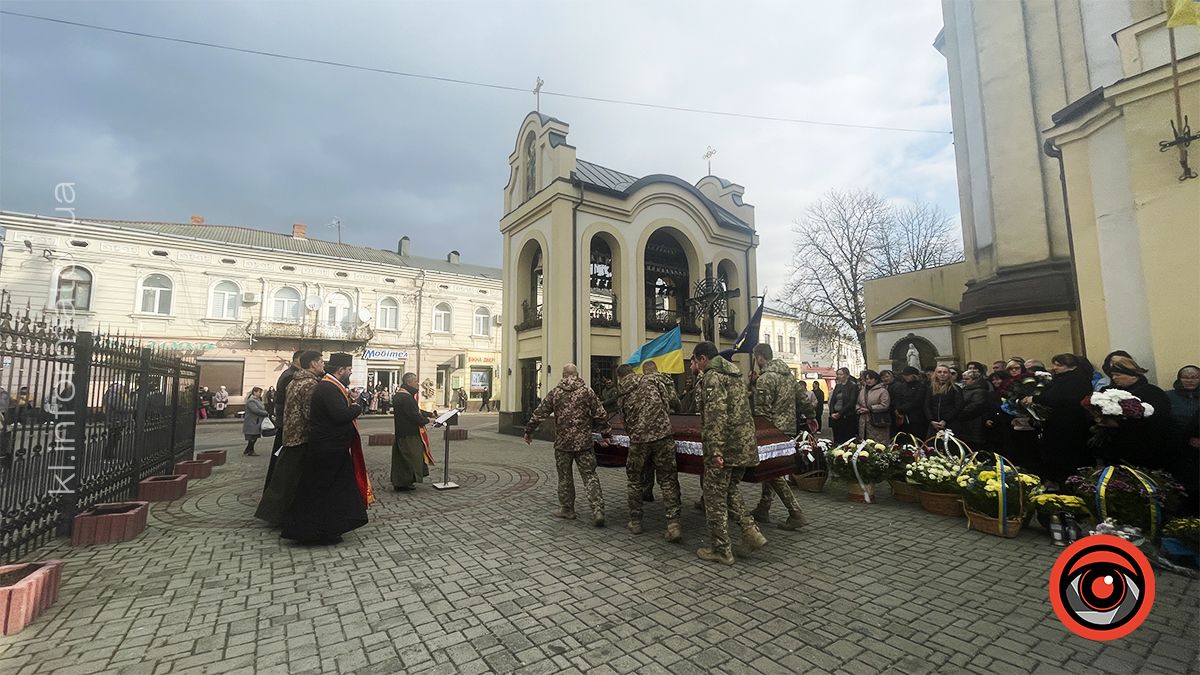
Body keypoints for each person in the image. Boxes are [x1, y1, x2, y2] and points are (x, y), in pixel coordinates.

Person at [691, 341, 767, 565]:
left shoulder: (713, 377)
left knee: (714, 496)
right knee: (730, 490)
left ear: (704, 359)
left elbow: (716, 416)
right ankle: (751, 532)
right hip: (743, 444)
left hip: (726, 446)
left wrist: (715, 450)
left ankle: (721, 549)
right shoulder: (734, 374)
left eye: (695, 360)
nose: (695, 365)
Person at [281, 353, 369, 545]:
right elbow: (339, 415)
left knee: (332, 490)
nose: (350, 373)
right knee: (322, 491)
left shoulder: (329, 385)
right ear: (341, 370)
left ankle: (329, 528)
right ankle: (316, 531)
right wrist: (357, 406)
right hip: (328, 449)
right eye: (349, 370)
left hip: (331, 448)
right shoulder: (328, 387)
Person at [524, 364, 611, 526]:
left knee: (565, 477)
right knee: (590, 476)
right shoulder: (587, 391)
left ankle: (567, 510)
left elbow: (539, 413)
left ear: (564, 375)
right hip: (584, 443)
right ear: (576, 374)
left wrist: (529, 431)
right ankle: (598, 510)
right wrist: (605, 434)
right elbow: (601, 414)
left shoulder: (556, 393)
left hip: (563, 444)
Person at [614, 364, 682, 541]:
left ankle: (636, 522)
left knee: (635, 480)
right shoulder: (651, 380)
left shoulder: (621, 394)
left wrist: (637, 433)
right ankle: (673, 524)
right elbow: (667, 403)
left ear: (620, 378)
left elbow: (624, 420)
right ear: (633, 372)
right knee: (668, 479)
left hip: (638, 440)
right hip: (663, 436)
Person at [256, 351, 324, 527]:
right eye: (321, 362)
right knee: (293, 478)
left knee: (285, 476)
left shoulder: (294, 380)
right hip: (302, 436)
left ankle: (272, 512)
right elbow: (310, 413)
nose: (323, 365)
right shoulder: (309, 384)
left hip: (290, 434)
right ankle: (284, 515)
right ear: (314, 364)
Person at [746, 344, 808, 531]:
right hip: (788, 429)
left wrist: (759, 432)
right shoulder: (789, 376)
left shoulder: (766, 378)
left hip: (772, 431)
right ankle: (764, 507)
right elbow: (803, 400)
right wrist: (811, 416)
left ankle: (795, 512)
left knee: (773, 472)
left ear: (759, 357)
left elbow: (762, 411)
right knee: (771, 470)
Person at [1020, 354, 1094, 482]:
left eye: (1059, 365)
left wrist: (1036, 399)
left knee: (1066, 455)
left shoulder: (1077, 380)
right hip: (1055, 422)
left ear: (1072, 366)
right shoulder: (1060, 378)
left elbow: (1062, 398)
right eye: (1054, 364)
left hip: (1070, 423)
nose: (1054, 368)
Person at [1093, 354, 1173, 469]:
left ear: (1133, 376)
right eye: (1112, 375)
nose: (1114, 378)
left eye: (1118, 375)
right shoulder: (1108, 392)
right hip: (1115, 450)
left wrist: (1119, 423)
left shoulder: (1152, 392)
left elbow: (1158, 419)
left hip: (1144, 448)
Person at [638, 360, 681, 502]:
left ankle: (646, 490)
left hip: (647, 429)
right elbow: (674, 400)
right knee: (667, 468)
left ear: (645, 371)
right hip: (666, 426)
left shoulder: (642, 383)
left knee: (647, 463)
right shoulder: (666, 380)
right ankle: (673, 496)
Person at [265, 351, 304, 490]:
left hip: (285, 422)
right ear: (299, 360)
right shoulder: (291, 376)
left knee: (280, 458)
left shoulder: (288, 373)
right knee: (283, 460)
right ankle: (276, 490)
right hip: (287, 424)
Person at [391, 372, 434, 491]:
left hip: (402, 433)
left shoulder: (402, 395)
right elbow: (414, 415)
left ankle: (402, 482)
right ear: (409, 382)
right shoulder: (406, 397)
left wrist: (429, 414)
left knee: (403, 457)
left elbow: (415, 410)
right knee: (410, 457)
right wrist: (427, 420)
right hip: (409, 434)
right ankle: (404, 482)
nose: (417, 384)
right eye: (415, 381)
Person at [1166, 365, 1199, 515]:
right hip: (1177, 450)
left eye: (1194, 377)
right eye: (1186, 377)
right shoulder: (1168, 396)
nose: (1190, 381)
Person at [955, 370, 991, 452]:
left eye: (967, 379)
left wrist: (959, 413)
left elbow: (975, 406)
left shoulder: (980, 391)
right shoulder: (965, 389)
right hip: (965, 422)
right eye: (963, 379)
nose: (964, 381)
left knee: (974, 446)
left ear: (975, 380)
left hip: (974, 421)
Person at [925, 365, 964, 441]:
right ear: (935, 374)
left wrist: (945, 420)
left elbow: (958, 406)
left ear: (949, 374)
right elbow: (926, 405)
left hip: (950, 423)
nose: (942, 374)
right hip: (934, 424)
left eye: (945, 372)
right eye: (939, 372)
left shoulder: (955, 389)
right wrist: (931, 420)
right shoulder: (930, 389)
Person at [855, 370, 892, 443]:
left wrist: (870, 409)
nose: (868, 381)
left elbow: (885, 405)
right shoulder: (862, 390)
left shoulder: (882, 391)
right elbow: (858, 402)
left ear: (876, 379)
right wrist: (858, 409)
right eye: (867, 379)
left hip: (877, 420)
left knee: (877, 445)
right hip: (863, 421)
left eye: (871, 379)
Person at [828, 368, 859, 444]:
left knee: (847, 439)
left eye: (841, 374)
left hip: (847, 416)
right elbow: (832, 401)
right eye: (838, 374)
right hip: (835, 416)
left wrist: (840, 413)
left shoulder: (852, 386)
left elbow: (851, 402)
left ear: (847, 375)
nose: (839, 376)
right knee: (837, 438)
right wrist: (832, 413)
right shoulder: (838, 386)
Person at [242, 387, 269, 456]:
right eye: (259, 392)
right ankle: (250, 450)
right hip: (252, 422)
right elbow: (255, 410)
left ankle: (248, 450)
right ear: (254, 392)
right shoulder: (251, 401)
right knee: (252, 437)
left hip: (257, 421)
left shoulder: (258, 400)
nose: (260, 394)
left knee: (255, 436)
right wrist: (265, 413)